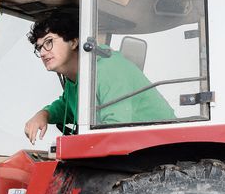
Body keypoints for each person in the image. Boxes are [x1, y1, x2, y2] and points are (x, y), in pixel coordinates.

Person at [23, 9, 174, 144]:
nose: (42, 52)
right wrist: (44, 114)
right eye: (39, 47)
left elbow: (114, 127)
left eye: (49, 42)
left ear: (74, 41)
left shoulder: (108, 69)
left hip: (162, 153)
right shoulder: (76, 79)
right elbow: (68, 106)